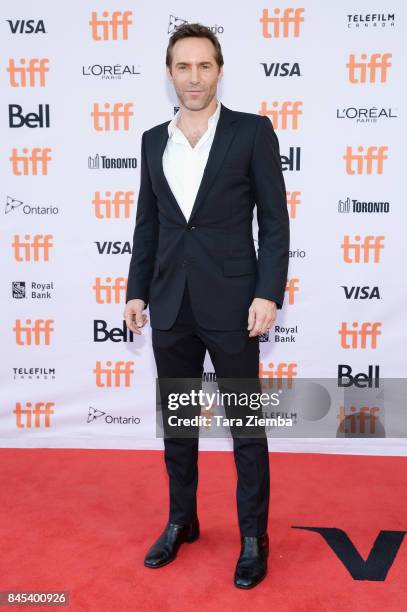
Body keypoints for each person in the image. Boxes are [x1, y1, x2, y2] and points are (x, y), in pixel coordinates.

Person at [123, 22, 289, 589]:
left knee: (245, 427)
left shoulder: (251, 132)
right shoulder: (152, 140)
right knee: (178, 425)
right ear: (169, 74)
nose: (194, 77)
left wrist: (268, 292)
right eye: (183, 67)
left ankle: (252, 537)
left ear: (219, 71)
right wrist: (136, 290)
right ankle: (181, 520)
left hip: (236, 304)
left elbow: (275, 221)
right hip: (170, 305)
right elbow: (148, 225)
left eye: (204, 66)